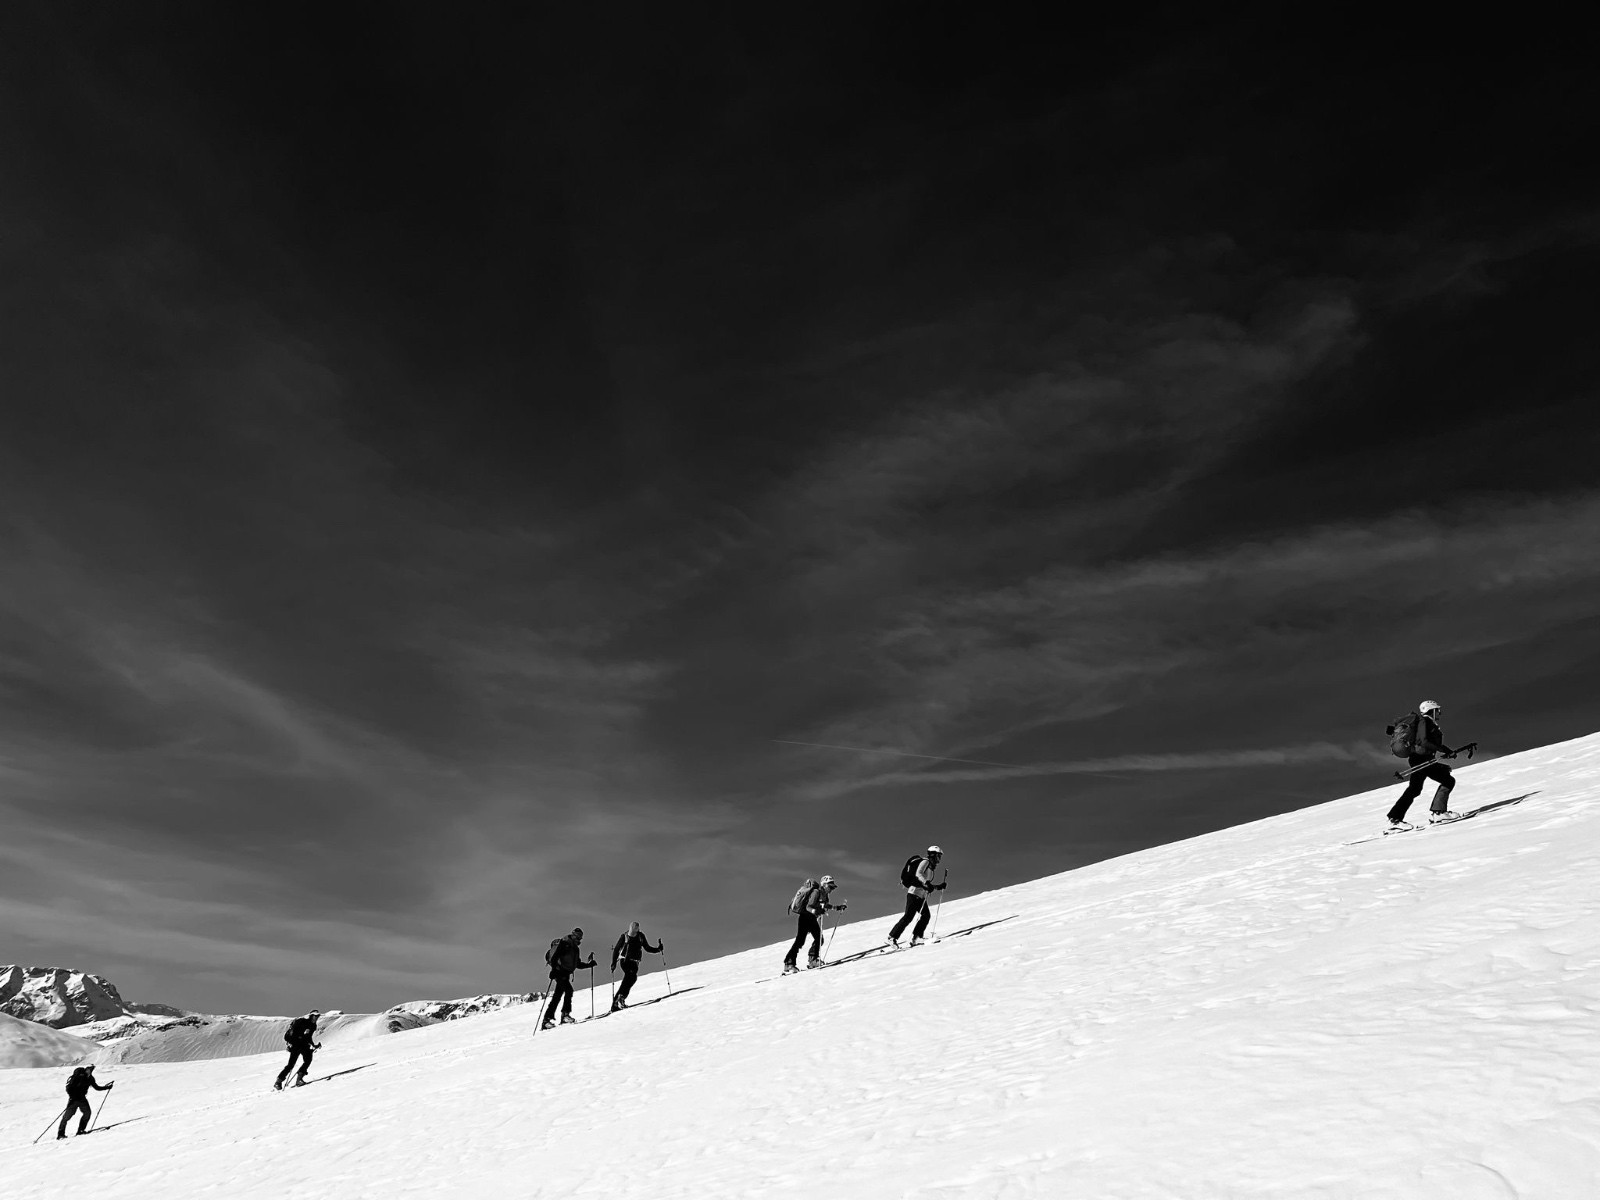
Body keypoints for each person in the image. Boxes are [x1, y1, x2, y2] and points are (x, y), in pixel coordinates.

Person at [1387, 700, 1463, 828]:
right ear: (1431, 710)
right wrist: (1442, 749)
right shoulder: (1425, 721)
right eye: (1437, 710)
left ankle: (1395, 818)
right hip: (1421, 758)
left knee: (1415, 789)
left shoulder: (1428, 722)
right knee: (1447, 781)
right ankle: (1438, 813)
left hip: (1422, 758)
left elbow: (1428, 743)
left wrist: (1445, 750)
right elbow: (1423, 741)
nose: (1439, 712)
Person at [782, 875, 848, 974]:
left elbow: (824, 905)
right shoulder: (816, 892)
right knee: (800, 941)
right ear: (824, 885)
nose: (832, 889)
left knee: (819, 939)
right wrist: (817, 911)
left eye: (833, 887)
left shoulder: (824, 895)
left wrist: (836, 908)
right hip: (805, 917)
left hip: (812, 918)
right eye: (830, 887)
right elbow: (809, 907)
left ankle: (813, 960)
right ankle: (789, 963)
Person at [888, 845, 947, 948]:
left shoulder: (931, 868)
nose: (939, 859)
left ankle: (917, 938)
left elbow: (926, 884)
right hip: (914, 893)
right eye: (938, 856)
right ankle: (892, 938)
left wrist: (938, 887)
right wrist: (927, 884)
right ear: (933, 855)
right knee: (908, 917)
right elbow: (918, 874)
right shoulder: (926, 861)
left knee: (925, 916)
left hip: (921, 896)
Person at [542, 927, 598, 1029]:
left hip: (565, 973)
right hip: (559, 972)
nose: (579, 940)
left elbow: (577, 964)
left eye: (580, 938)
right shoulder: (565, 944)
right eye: (577, 937)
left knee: (557, 996)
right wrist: (554, 970)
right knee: (568, 990)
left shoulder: (575, 949)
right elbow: (555, 957)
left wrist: (589, 965)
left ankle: (547, 1020)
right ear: (573, 935)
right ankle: (564, 1015)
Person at [610, 921, 663, 1012]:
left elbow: (647, 948)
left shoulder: (640, 936)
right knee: (630, 977)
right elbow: (616, 949)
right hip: (625, 960)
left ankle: (618, 1001)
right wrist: (613, 963)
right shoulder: (625, 936)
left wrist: (658, 949)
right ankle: (619, 1000)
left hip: (635, 962)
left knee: (631, 978)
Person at [57, 1064, 112, 1138]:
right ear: (85, 1069)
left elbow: (96, 1087)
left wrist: (107, 1087)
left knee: (87, 1113)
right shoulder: (79, 1077)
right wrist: (72, 1097)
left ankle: (81, 1130)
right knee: (67, 1117)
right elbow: (69, 1088)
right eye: (88, 1069)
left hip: (81, 1099)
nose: (89, 1071)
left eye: (91, 1070)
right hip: (74, 1100)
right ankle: (61, 1134)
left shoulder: (90, 1078)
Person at [274, 1009, 322, 1089]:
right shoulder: (302, 1022)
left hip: (303, 1045)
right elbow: (295, 1033)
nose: (316, 1017)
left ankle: (299, 1080)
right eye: (315, 1016)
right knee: (291, 1064)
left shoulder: (313, 1026)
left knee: (308, 1060)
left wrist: (313, 1045)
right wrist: (295, 1041)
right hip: (296, 1044)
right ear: (311, 1016)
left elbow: (308, 1037)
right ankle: (278, 1081)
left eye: (317, 1016)